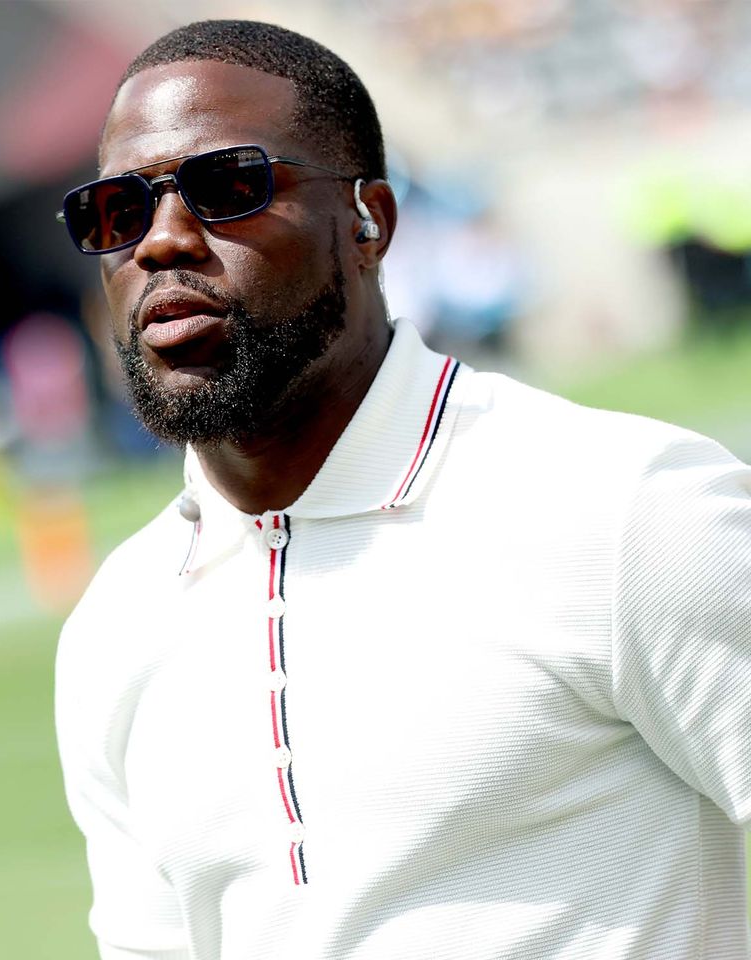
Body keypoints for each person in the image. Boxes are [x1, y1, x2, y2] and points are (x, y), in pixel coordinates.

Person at [54, 19, 751, 960]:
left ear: (371, 220)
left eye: (227, 189)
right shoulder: (117, 625)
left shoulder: (629, 511)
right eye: (116, 213)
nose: (163, 242)